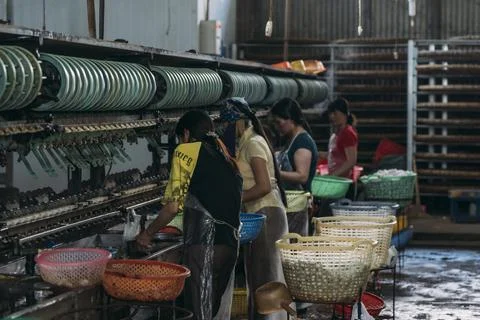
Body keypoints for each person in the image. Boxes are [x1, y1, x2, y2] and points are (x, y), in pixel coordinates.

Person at [136, 110, 242, 320]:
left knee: (198, 312)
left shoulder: (186, 151)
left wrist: (147, 234)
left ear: (185, 134)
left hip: (205, 247)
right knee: (209, 310)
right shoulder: (224, 154)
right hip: (230, 246)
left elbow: (173, 207)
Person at [218, 97, 289, 320]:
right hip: (259, 213)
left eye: (228, 124)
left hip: (266, 213)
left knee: (265, 279)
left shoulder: (253, 143)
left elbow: (264, 186)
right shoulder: (247, 144)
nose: (227, 129)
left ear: (238, 121)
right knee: (257, 275)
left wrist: (233, 200)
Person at [270, 97, 318, 236]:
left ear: (290, 119)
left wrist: (275, 173)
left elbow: (302, 176)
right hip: (290, 204)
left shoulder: (302, 142)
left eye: (279, 122)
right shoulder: (291, 139)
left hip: (297, 205)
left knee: (295, 247)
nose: (277, 127)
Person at [325, 98, 358, 179]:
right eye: (331, 114)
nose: (332, 116)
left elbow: (351, 161)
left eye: (335, 113)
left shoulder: (347, 133)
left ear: (344, 114)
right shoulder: (339, 132)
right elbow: (337, 154)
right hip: (337, 178)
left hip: (343, 181)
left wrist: (332, 176)